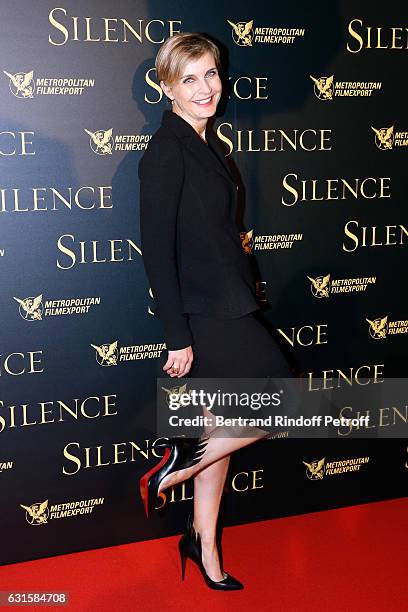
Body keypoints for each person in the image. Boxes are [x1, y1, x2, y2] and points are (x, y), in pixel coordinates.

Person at [138, 32, 294, 590]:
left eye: (211, 74)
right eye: (189, 79)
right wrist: (177, 336)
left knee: (223, 417)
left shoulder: (209, 146)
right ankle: (179, 462)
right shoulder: (165, 152)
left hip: (229, 298)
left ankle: (204, 546)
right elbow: (157, 253)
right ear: (167, 88)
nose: (206, 88)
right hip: (205, 312)